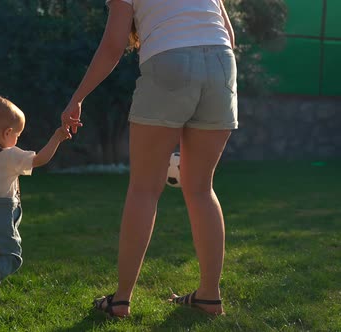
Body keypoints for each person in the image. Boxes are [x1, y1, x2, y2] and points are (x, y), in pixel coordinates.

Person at [61, 0, 237, 318]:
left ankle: (121, 300)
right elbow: (228, 34)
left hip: (170, 62)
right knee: (200, 188)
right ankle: (210, 297)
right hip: (222, 65)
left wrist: (77, 98)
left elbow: (114, 45)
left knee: (144, 188)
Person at [0, 96, 71, 308]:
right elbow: (39, 160)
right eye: (17, 134)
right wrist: (56, 138)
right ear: (7, 133)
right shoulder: (8, 156)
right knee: (10, 255)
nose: (17, 139)